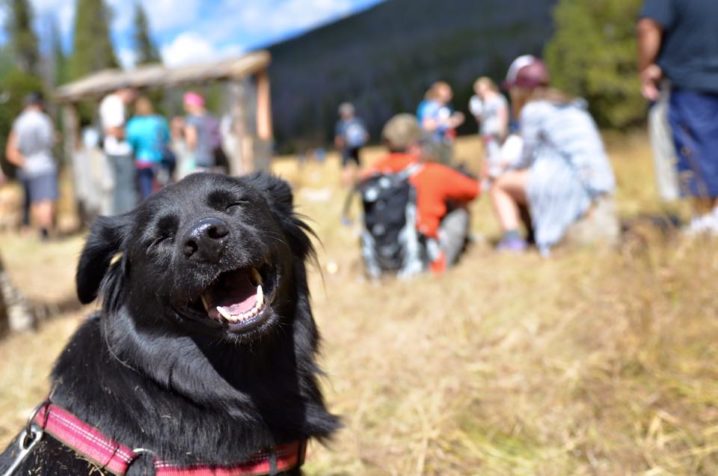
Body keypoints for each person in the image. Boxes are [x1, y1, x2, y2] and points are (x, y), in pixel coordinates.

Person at [490, 55, 617, 255]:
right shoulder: (571, 105)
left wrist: (502, 168)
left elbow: (526, 157)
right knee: (526, 179)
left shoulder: (533, 110)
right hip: (598, 181)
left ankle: (512, 239)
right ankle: (533, 231)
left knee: (500, 185)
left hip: (568, 181)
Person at [637, 0, 718, 234]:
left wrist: (646, 68)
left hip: (689, 81)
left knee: (695, 153)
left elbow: (648, 27)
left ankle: (705, 221)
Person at [363, 114, 480, 273]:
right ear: (414, 146)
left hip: (379, 263)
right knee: (459, 211)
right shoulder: (431, 172)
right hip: (425, 263)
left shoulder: (373, 173)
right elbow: (474, 191)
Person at [5, 92, 58, 240]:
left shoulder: (19, 122)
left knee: (36, 200)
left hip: (28, 165)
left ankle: (41, 229)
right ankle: (46, 230)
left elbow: (12, 150)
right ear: (39, 104)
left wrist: (25, 162)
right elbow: (49, 141)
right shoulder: (43, 120)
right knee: (46, 199)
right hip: (45, 163)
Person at [99, 86, 137, 214]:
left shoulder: (106, 101)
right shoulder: (116, 103)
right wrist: (134, 135)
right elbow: (114, 130)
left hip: (111, 151)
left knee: (118, 189)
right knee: (126, 189)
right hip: (120, 152)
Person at [125, 97, 171, 199]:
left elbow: (131, 142)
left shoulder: (133, 124)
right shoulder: (159, 120)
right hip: (160, 160)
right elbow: (167, 137)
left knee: (146, 193)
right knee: (162, 191)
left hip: (143, 161)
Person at [469, 77, 510, 182]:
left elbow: (503, 114)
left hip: (498, 130)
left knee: (502, 153)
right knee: (490, 154)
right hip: (487, 132)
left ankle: (502, 177)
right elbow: (479, 119)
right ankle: (493, 178)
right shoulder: (477, 102)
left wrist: (503, 129)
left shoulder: (499, 98)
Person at [416, 81, 464, 165]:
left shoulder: (446, 106)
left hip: (445, 143)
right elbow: (426, 126)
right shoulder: (430, 106)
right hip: (433, 145)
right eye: (446, 90)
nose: (449, 92)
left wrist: (455, 120)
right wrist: (448, 121)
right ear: (437, 92)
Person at [183, 91, 223, 173]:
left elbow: (191, 140)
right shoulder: (211, 116)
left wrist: (189, 153)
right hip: (214, 157)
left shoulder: (191, 119)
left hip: (199, 159)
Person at [334, 102, 368, 186]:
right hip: (356, 146)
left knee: (346, 166)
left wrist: (339, 146)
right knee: (359, 165)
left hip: (347, 148)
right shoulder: (358, 121)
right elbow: (365, 135)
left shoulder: (341, 124)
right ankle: (361, 181)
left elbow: (338, 139)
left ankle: (348, 183)